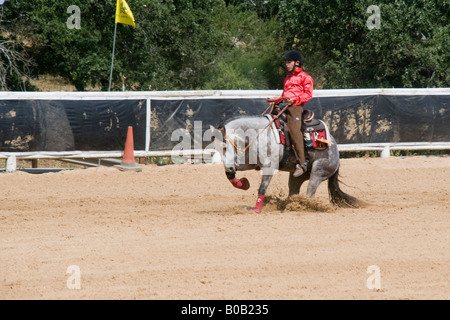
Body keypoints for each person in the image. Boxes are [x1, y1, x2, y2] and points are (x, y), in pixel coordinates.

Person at [266, 50, 313, 177]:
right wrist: (275, 100)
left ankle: (302, 163)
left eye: (289, 62)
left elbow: (308, 95)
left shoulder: (306, 77)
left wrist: (295, 100)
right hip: (284, 105)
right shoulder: (287, 78)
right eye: (286, 62)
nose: (286, 65)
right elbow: (284, 95)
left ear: (297, 63)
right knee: (268, 120)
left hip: (295, 107)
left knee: (294, 130)